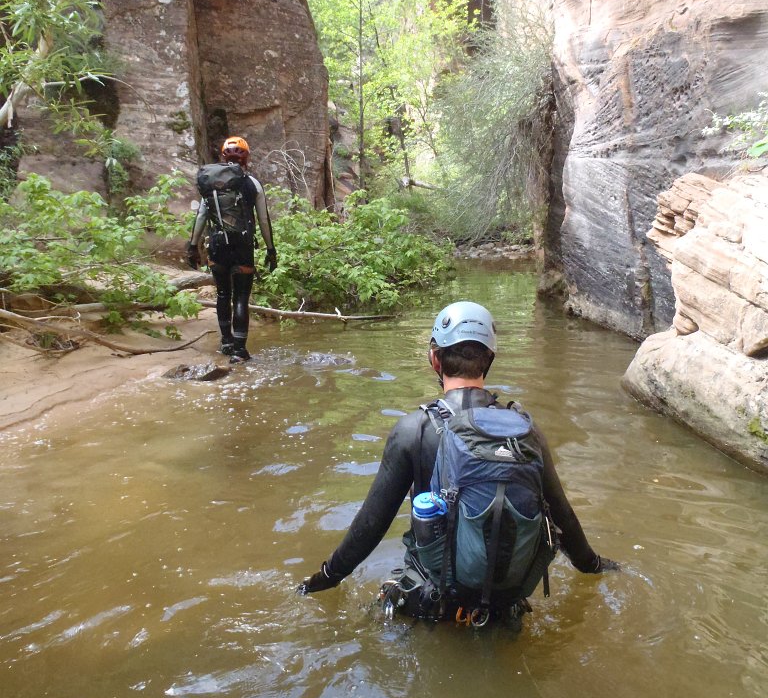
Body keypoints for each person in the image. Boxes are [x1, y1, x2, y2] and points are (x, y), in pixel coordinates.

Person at [299, 300, 619, 625]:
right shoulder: (524, 431)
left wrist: (323, 579)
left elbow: (370, 527)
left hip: (429, 601)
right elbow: (561, 516)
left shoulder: (414, 430)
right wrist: (595, 566)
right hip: (501, 607)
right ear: (489, 359)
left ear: (435, 358)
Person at [187, 136, 277, 363]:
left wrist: (192, 247)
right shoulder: (252, 184)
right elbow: (264, 219)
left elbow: (201, 216)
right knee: (241, 298)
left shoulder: (210, 183)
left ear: (222, 156)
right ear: (246, 158)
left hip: (217, 246)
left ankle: (226, 342)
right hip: (243, 247)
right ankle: (239, 351)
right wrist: (270, 249)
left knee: (222, 294)